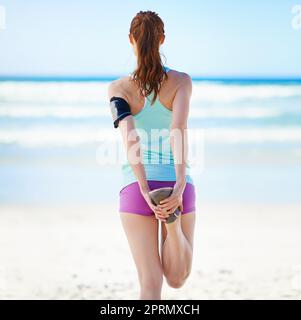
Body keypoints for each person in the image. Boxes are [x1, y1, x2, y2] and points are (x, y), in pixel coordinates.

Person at [108, 10, 196, 300]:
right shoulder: (182, 82)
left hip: (135, 188)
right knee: (177, 278)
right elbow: (178, 129)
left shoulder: (118, 89)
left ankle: (171, 223)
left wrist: (144, 188)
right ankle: (172, 226)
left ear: (131, 40)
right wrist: (180, 185)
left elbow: (129, 137)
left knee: (150, 283)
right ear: (162, 39)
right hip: (176, 182)